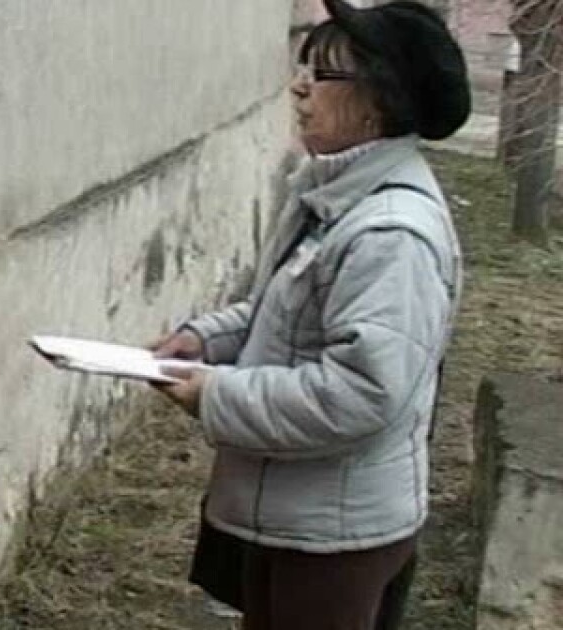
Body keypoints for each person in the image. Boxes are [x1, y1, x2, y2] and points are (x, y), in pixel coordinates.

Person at [150, 1, 470, 628]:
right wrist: (203, 340)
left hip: (336, 535)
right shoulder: (331, 193)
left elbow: (360, 394)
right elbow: (284, 309)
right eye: (302, 68)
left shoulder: (391, 233)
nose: (298, 87)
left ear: (378, 101)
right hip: (295, 511)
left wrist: (215, 394)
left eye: (322, 74)